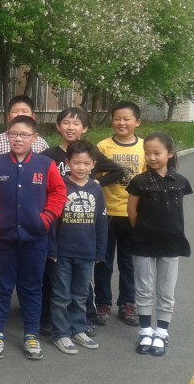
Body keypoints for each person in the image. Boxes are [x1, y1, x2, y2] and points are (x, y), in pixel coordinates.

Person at [0, 116, 67, 361]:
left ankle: (31, 334)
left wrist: (46, 218)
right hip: (2, 239)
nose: (18, 139)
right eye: (13, 134)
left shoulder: (45, 164)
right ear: (7, 135)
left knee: (31, 287)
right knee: (0, 287)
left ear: (34, 138)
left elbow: (59, 193)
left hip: (36, 239)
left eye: (24, 135)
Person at [40, 107, 123, 337]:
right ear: (58, 126)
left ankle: (84, 321)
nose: (71, 127)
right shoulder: (48, 156)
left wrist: (97, 184)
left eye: (76, 123)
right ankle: (52, 321)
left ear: (84, 128)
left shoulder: (90, 153)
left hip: (84, 239)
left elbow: (117, 171)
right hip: (60, 230)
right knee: (55, 283)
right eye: (66, 122)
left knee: (82, 286)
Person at [127, 132, 192, 356]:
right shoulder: (139, 182)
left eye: (157, 153)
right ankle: (145, 330)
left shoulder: (180, 182)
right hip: (144, 242)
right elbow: (132, 212)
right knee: (143, 288)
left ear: (170, 154)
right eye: (147, 153)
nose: (152, 157)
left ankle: (162, 332)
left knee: (166, 290)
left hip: (172, 242)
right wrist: (143, 232)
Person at [47, 141, 107, 355]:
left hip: (87, 252)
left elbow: (101, 223)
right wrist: (52, 248)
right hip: (62, 253)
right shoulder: (60, 186)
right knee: (61, 295)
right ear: (67, 162)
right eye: (76, 162)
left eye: (86, 163)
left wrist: (100, 251)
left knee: (81, 295)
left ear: (93, 165)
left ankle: (78, 329)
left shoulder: (96, 189)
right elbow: (52, 221)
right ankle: (61, 333)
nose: (81, 167)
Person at [94, 101, 146, 328]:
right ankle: (102, 303)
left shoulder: (144, 147)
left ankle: (127, 303)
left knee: (128, 262)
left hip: (132, 214)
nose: (121, 123)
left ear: (137, 122)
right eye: (117, 118)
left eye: (126, 119)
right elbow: (94, 178)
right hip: (105, 213)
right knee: (103, 262)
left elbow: (148, 181)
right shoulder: (103, 146)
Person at [0, 95, 49, 161]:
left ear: (33, 117)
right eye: (15, 111)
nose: (19, 114)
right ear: (8, 117)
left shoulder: (41, 144)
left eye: (24, 111)